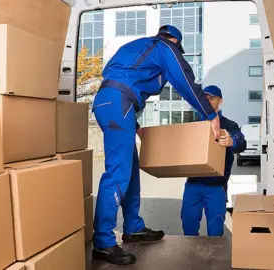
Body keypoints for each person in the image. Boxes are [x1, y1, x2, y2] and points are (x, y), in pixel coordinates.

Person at [91, 25, 222, 265]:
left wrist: (133, 121)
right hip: (120, 103)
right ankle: (103, 242)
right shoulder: (165, 48)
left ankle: (133, 227)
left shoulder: (136, 46)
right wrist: (211, 115)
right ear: (173, 40)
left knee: (129, 170)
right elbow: (185, 82)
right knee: (118, 173)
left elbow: (122, 78)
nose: (177, 52)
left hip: (109, 102)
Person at [181, 85, 247, 237]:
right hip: (193, 184)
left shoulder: (229, 125)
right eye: (205, 99)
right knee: (188, 224)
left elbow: (242, 143)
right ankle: (190, 258)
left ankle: (214, 260)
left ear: (220, 101)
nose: (208, 101)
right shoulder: (194, 125)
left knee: (216, 229)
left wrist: (232, 141)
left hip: (216, 186)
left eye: (212, 98)